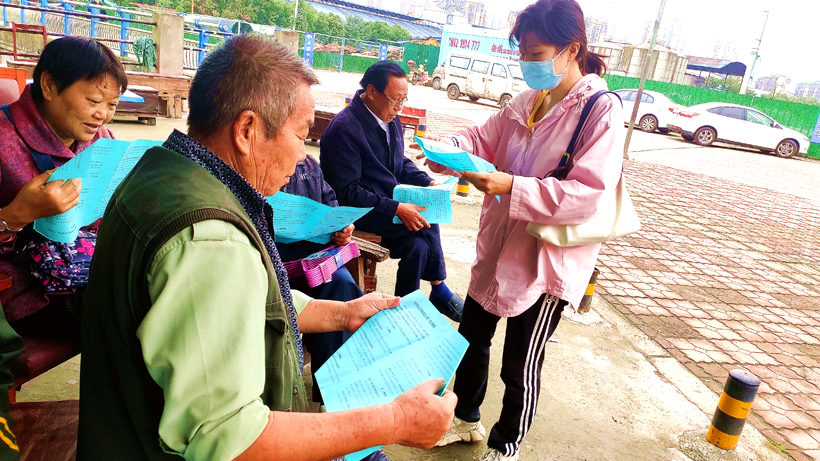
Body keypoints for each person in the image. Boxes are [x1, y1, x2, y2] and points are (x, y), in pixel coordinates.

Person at [77, 34, 456, 460]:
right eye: (301, 135)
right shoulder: (211, 239)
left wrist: (342, 312)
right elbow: (229, 439)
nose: (303, 156)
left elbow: (242, 297)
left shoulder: (166, 172)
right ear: (247, 131)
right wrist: (394, 421)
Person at [425, 1, 624, 460]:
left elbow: (587, 194)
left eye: (536, 54)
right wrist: (447, 149)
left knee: (520, 365)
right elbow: (482, 138)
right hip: (498, 246)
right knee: (470, 339)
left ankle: (506, 445)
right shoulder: (527, 101)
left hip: (544, 263)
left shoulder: (600, 111)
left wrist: (512, 186)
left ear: (572, 50)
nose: (527, 63)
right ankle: (465, 419)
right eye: (523, 54)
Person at [320, 61, 464, 322]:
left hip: (387, 204)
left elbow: (399, 163)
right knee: (424, 220)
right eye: (395, 100)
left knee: (418, 245)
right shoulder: (345, 129)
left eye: (403, 100)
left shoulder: (390, 119)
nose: (400, 107)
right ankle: (439, 290)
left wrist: (427, 182)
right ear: (371, 91)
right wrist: (396, 208)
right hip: (358, 213)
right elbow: (347, 192)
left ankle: (403, 312)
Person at [0, 37, 126, 330]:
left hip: (89, 266)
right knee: (133, 309)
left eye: (112, 105)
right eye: (93, 101)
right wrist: (18, 214)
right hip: (26, 291)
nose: (102, 115)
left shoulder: (102, 141)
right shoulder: (4, 138)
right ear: (49, 86)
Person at [275, 155, 361, 409]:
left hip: (314, 261)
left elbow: (331, 207)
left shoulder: (309, 166)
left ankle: (331, 395)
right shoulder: (255, 167)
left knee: (341, 286)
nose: (302, 151)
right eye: (298, 137)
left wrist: (341, 231)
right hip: (272, 262)